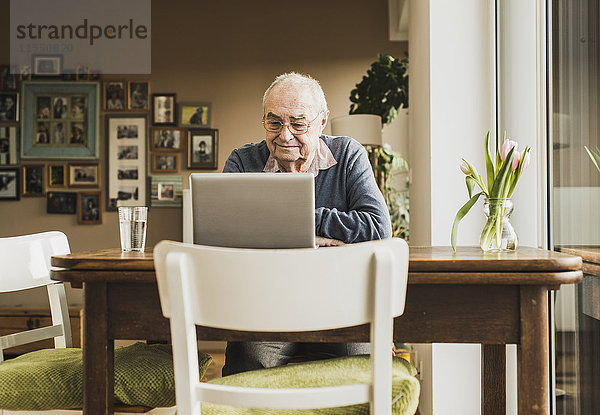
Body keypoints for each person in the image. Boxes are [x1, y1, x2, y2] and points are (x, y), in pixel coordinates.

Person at [221, 72, 392, 376]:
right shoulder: (242, 161)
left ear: (322, 121)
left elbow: (377, 227)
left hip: (343, 304)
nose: (285, 135)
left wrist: (292, 219)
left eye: (298, 124)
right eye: (274, 123)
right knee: (246, 364)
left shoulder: (349, 154)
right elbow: (225, 233)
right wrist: (317, 237)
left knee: (364, 367)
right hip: (267, 306)